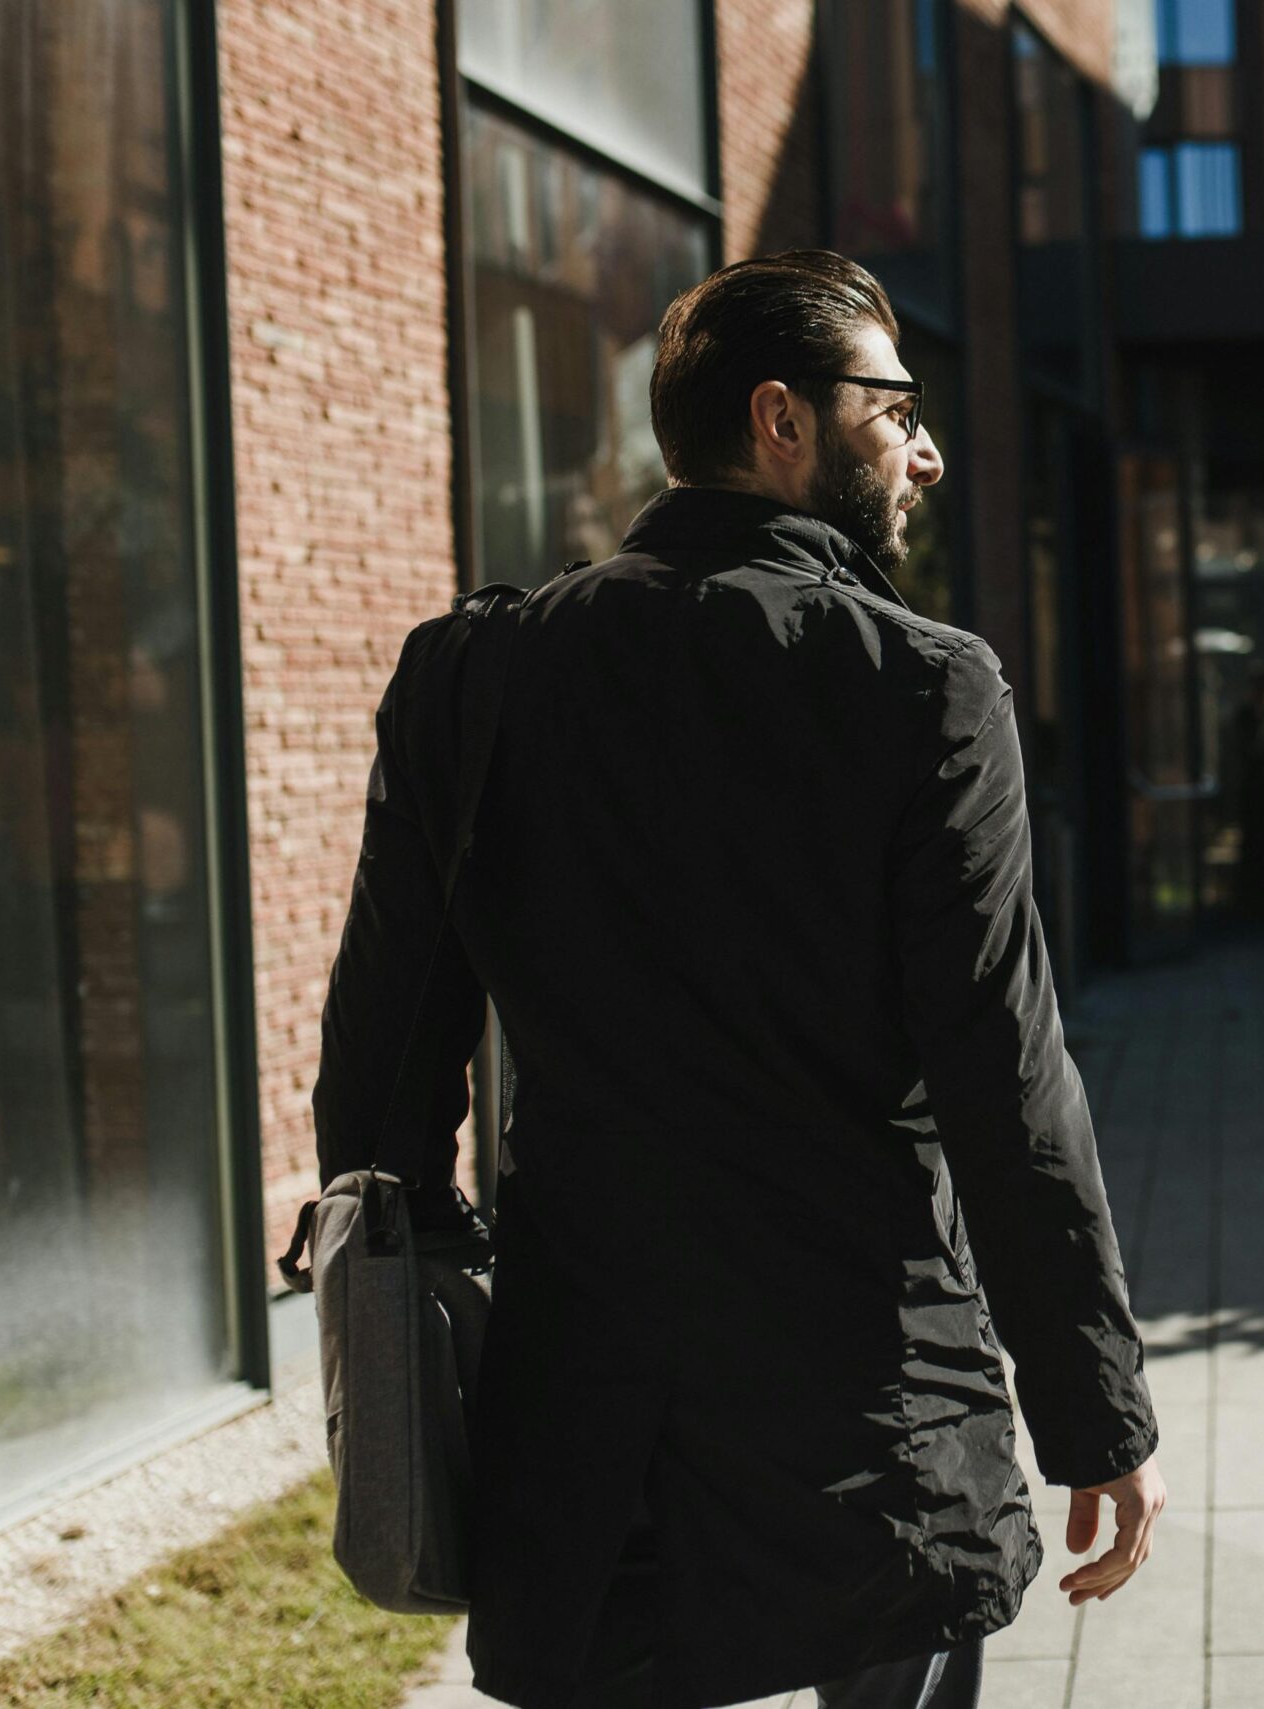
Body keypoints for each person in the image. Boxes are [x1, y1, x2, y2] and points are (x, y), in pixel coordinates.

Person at [311, 251, 1163, 1709]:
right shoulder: (924, 687)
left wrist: (428, 1315)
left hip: (590, 1412)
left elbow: (380, 1075)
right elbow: (1004, 1079)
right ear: (784, 419)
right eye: (896, 408)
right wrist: (1096, 1412)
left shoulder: (478, 677)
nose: (927, 448)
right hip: (870, 1407)